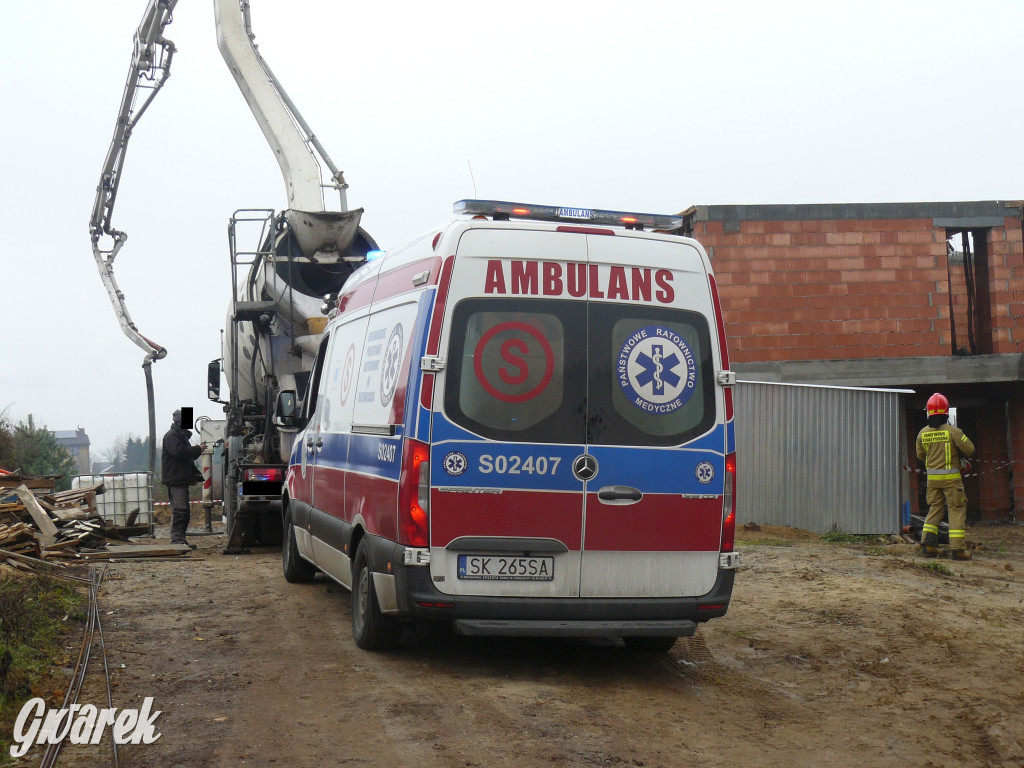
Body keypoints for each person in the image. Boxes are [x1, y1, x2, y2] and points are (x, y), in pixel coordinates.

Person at [915, 393, 975, 560]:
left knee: (934, 509)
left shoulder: (922, 434)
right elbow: (970, 450)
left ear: (929, 412)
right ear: (946, 412)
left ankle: (928, 545)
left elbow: (920, 457)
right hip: (952, 481)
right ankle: (957, 550)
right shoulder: (953, 432)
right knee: (956, 510)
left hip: (932, 481)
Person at [161, 409, 204, 549]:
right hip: (176, 479)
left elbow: (186, 455)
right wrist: (197, 449)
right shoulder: (172, 436)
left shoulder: (179, 436)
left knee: (184, 512)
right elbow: (179, 452)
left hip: (180, 478)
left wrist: (198, 450)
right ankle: (177, 540)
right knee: (180, 511)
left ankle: (180, 539)